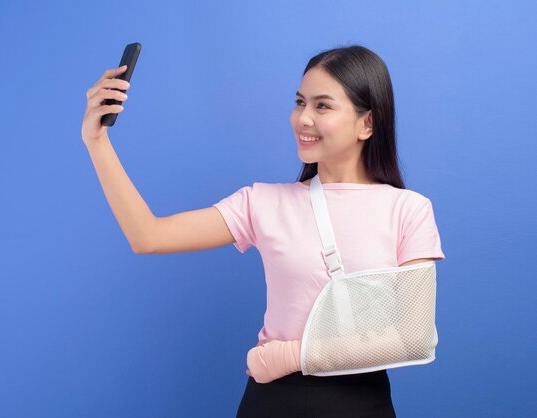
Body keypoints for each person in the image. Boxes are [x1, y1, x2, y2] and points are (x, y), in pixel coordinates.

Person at [81, 44, 445, 418]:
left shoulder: (408, 210)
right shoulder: (261, 203)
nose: (303, 118)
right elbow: (148, 236)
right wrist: (96, 142)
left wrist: (290, 354)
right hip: (273, 402)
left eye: (322, 106)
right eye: (300, 102)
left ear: (367, 123)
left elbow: (413, 338)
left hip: (358, 400)